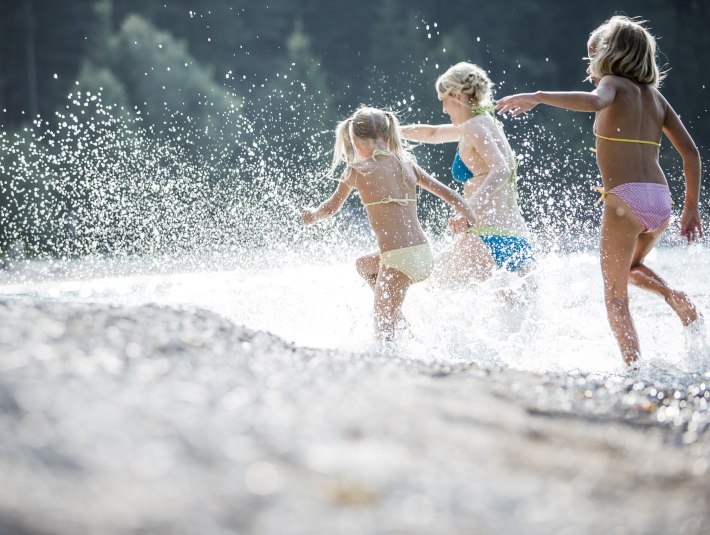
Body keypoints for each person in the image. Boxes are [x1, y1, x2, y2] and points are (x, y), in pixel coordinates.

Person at [495, 15, 703, 366]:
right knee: (632, 267)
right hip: (660, 201)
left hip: (625, 199)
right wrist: (691, 208)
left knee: (615, 297)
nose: (590, 68)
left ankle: (634, 369)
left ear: (610, 55)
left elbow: (594, 102)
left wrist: (538, 96)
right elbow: (691, 153)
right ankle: (673, 296)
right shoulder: (656, 98)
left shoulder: (612, 84)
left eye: (592, 57)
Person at [301, 106, 478, 341]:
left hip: (398, 259)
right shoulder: (406, 164)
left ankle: (403, 343)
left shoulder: (356, 170)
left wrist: (312, 215)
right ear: (387, 136)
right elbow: (452, 196)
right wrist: (470, 221)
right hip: (423, 253)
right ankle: (396, 314)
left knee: (382, 333)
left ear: (355, 141)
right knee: (364, 265)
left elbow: (331, 208)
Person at [400, 62, 534, 287]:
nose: (443, 109)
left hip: (485, 236)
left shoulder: (474, 127)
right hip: (517, 241)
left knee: (426, 287)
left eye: (444, 100)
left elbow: (501, 169)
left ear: (456, 95)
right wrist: (392, 132)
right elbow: (433, 133)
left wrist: (467, 209)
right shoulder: (485, 124)